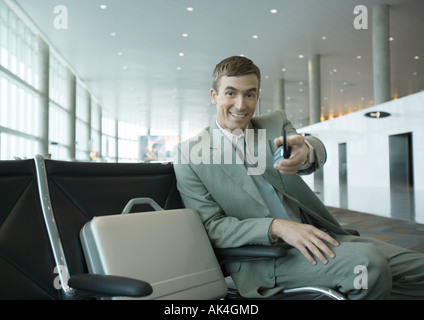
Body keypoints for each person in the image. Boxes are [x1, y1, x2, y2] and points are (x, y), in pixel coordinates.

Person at [173, 56, 424, 299]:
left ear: (257, 96)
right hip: (267, 258)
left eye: (249, 94)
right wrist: (277, 227)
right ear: (214, 96)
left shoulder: (273, 124)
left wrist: (305, 152)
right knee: (369, 267)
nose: (241, 104)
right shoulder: (190, 154)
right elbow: (211, 227)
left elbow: (311, 146)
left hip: (320, 235)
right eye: (231, 93)